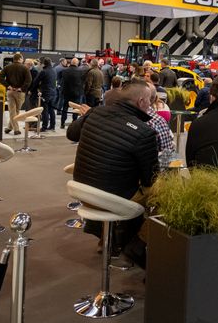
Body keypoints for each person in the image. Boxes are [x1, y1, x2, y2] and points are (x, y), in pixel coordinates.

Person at [67, 79, 158, 261]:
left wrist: (88, 116)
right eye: (149, 100)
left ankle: (108, 238)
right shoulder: (144, 132)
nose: (151, 104)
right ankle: (138, 244)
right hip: (111, 199)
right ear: (141, 101)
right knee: (163, 193)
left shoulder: (96, 112)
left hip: (83, 192)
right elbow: (150, 179)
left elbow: (71, 134)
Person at [0, 53, 30, 135]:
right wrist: (21, 88)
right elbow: (28, 80)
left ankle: (9, 127)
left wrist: (8, 86)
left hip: (10, 91)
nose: (23, 60)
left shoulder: (7, 67)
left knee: (13, 111)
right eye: (22, 58)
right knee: (16, 111)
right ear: (19, 59)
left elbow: (0, 77)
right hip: (20, 92)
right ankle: (16, 129)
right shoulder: (25, 68)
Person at [33, 57, 57, 132]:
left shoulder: (44, 71)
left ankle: (44, 127)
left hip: (45, 93)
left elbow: (36, 81)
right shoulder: (54, 70)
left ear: (43, 63)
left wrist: (37, 87)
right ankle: (52, 126)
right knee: (51, 110)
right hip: (53, 93)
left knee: (45, 110)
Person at [59, 57, 84, 126]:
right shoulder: (80, 71)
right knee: (75, 108)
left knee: (65, 108)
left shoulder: (64, 70)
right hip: (76, 93)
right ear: (77, 63)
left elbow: (61, 81)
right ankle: (74, 122)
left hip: (66, 92)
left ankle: (62, 123)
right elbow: (82, 82)